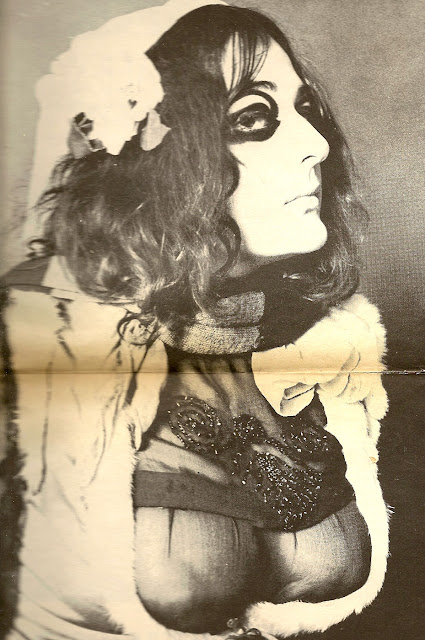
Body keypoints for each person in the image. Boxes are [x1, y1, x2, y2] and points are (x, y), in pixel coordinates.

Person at [1, 0, 389, 638]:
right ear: (160, 162)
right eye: (253, 118)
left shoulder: (331, 340)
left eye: (306, 110)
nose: (317, 145)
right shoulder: (40, 337)